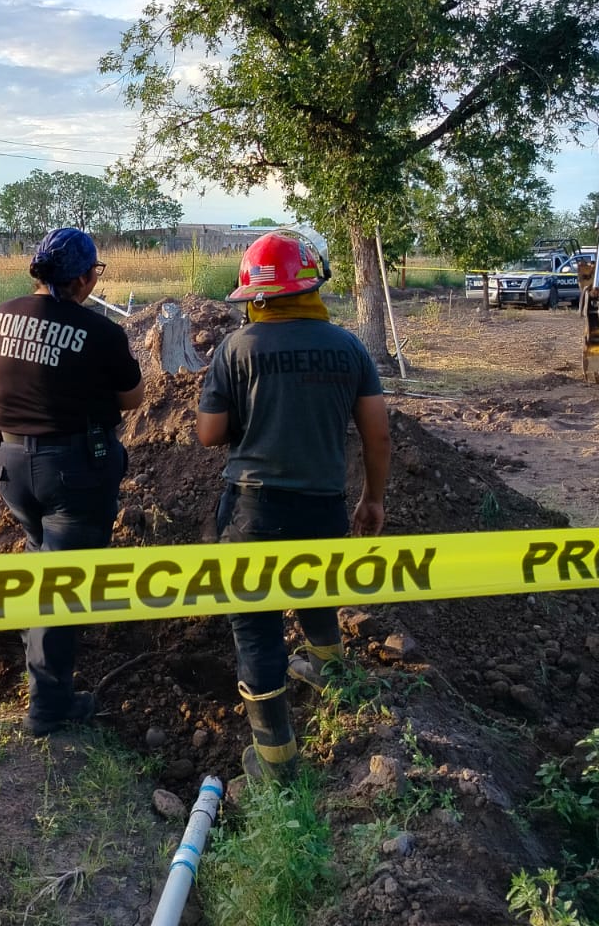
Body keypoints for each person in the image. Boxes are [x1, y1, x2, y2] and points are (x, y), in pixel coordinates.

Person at [196, 230, 392, 784]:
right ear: (310, 287)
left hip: (252, 511)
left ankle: (275, 761)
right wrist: (372, 498)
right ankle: (330, 674)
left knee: (255, 627)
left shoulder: (237, 349)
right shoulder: (348, 346)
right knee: (316, 591)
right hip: (324, 504)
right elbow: (377, 436)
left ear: (256, 295)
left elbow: (210, 434)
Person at [0, 227, 143, 737]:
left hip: (7, 462)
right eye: (94, 273)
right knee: (63, 584)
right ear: (80, 277)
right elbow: (133, 398)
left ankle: (38, 654)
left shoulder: (0, 315)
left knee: (40, 555)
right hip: (70, 470)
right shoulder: (98, 332)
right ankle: (48, 708)